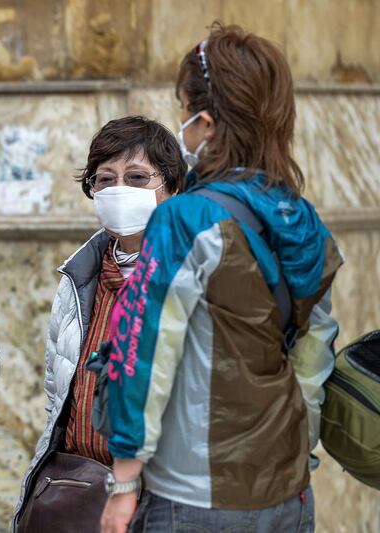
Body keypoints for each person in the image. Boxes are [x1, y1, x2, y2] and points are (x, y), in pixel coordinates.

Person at [99, 23, 342, 533]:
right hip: (289, 493)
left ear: (206, 124)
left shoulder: (185, 219)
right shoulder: (303, 221)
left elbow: (142, 351)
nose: (181, 124)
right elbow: (313, 357)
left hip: (195, 495)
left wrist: (123, 483)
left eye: (184, 111)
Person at [12, 117, 186, 532]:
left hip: (166, 498)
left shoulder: (191, 274)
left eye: (138, 177)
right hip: (79, 487)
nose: (119, 189)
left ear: (173, 187)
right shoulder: (80, 277)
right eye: (105, 178)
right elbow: (58, 393)